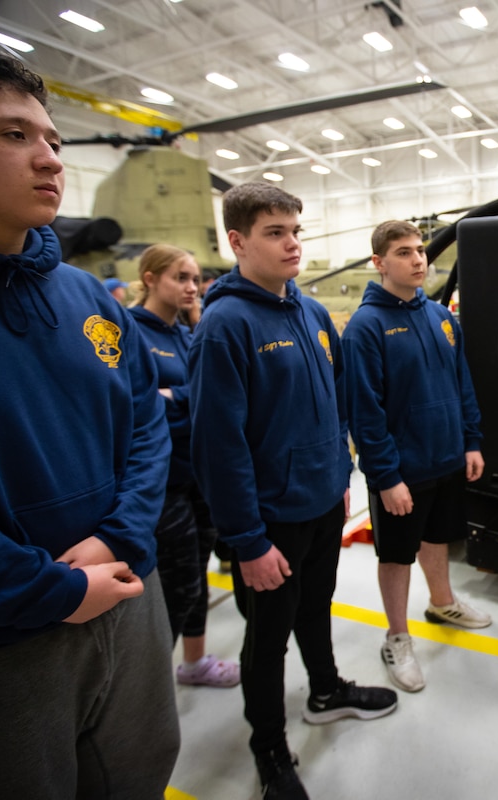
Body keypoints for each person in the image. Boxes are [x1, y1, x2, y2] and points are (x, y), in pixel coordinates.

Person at [0, 40, 179, 799]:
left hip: (126, 594)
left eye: (52, 138)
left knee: (140, 773)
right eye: (15, 135)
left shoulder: (85, 298)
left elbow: (147, 428)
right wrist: (48, 590)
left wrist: (118, 539)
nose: (51, 158)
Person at [188, 182, 396, 800]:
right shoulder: (225, 325)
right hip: (269, 521)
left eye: (296, 230)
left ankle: (327, 690)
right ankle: (270, 749)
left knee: (316, 605)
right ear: (238, 241)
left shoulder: (308, 312)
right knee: (267, 638)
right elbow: (217, 448)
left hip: (322, 500)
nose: (292, 244)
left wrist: (339, 479)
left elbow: (332, 404)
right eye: (275, 232)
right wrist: (248, 541)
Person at [342, 220, 489, 693]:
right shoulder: (366, 328)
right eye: (403, 252)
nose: (418, 260)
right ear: (379, 263)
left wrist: (470, 440)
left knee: (438, 537)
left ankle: (442, 602)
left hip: (446, 458)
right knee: (397, 554)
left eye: (420, 251)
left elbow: (461, 385)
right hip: (401, 471)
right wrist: (385, 477)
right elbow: (365, 413)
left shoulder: (441, 318)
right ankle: (397, 636)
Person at [128, 243, 240, 687]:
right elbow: (136, 405)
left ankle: (194, 663)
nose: (192, 287)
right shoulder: (132, 332)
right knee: (179, 585)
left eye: (195, 278)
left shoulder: (187, 333)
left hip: (198, 475)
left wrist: (178, 399)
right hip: (160, 481)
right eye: (181, 278)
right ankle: (146, 690)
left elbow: (208, 396)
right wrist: (183, 402)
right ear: (151, 278)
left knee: (197, 577)